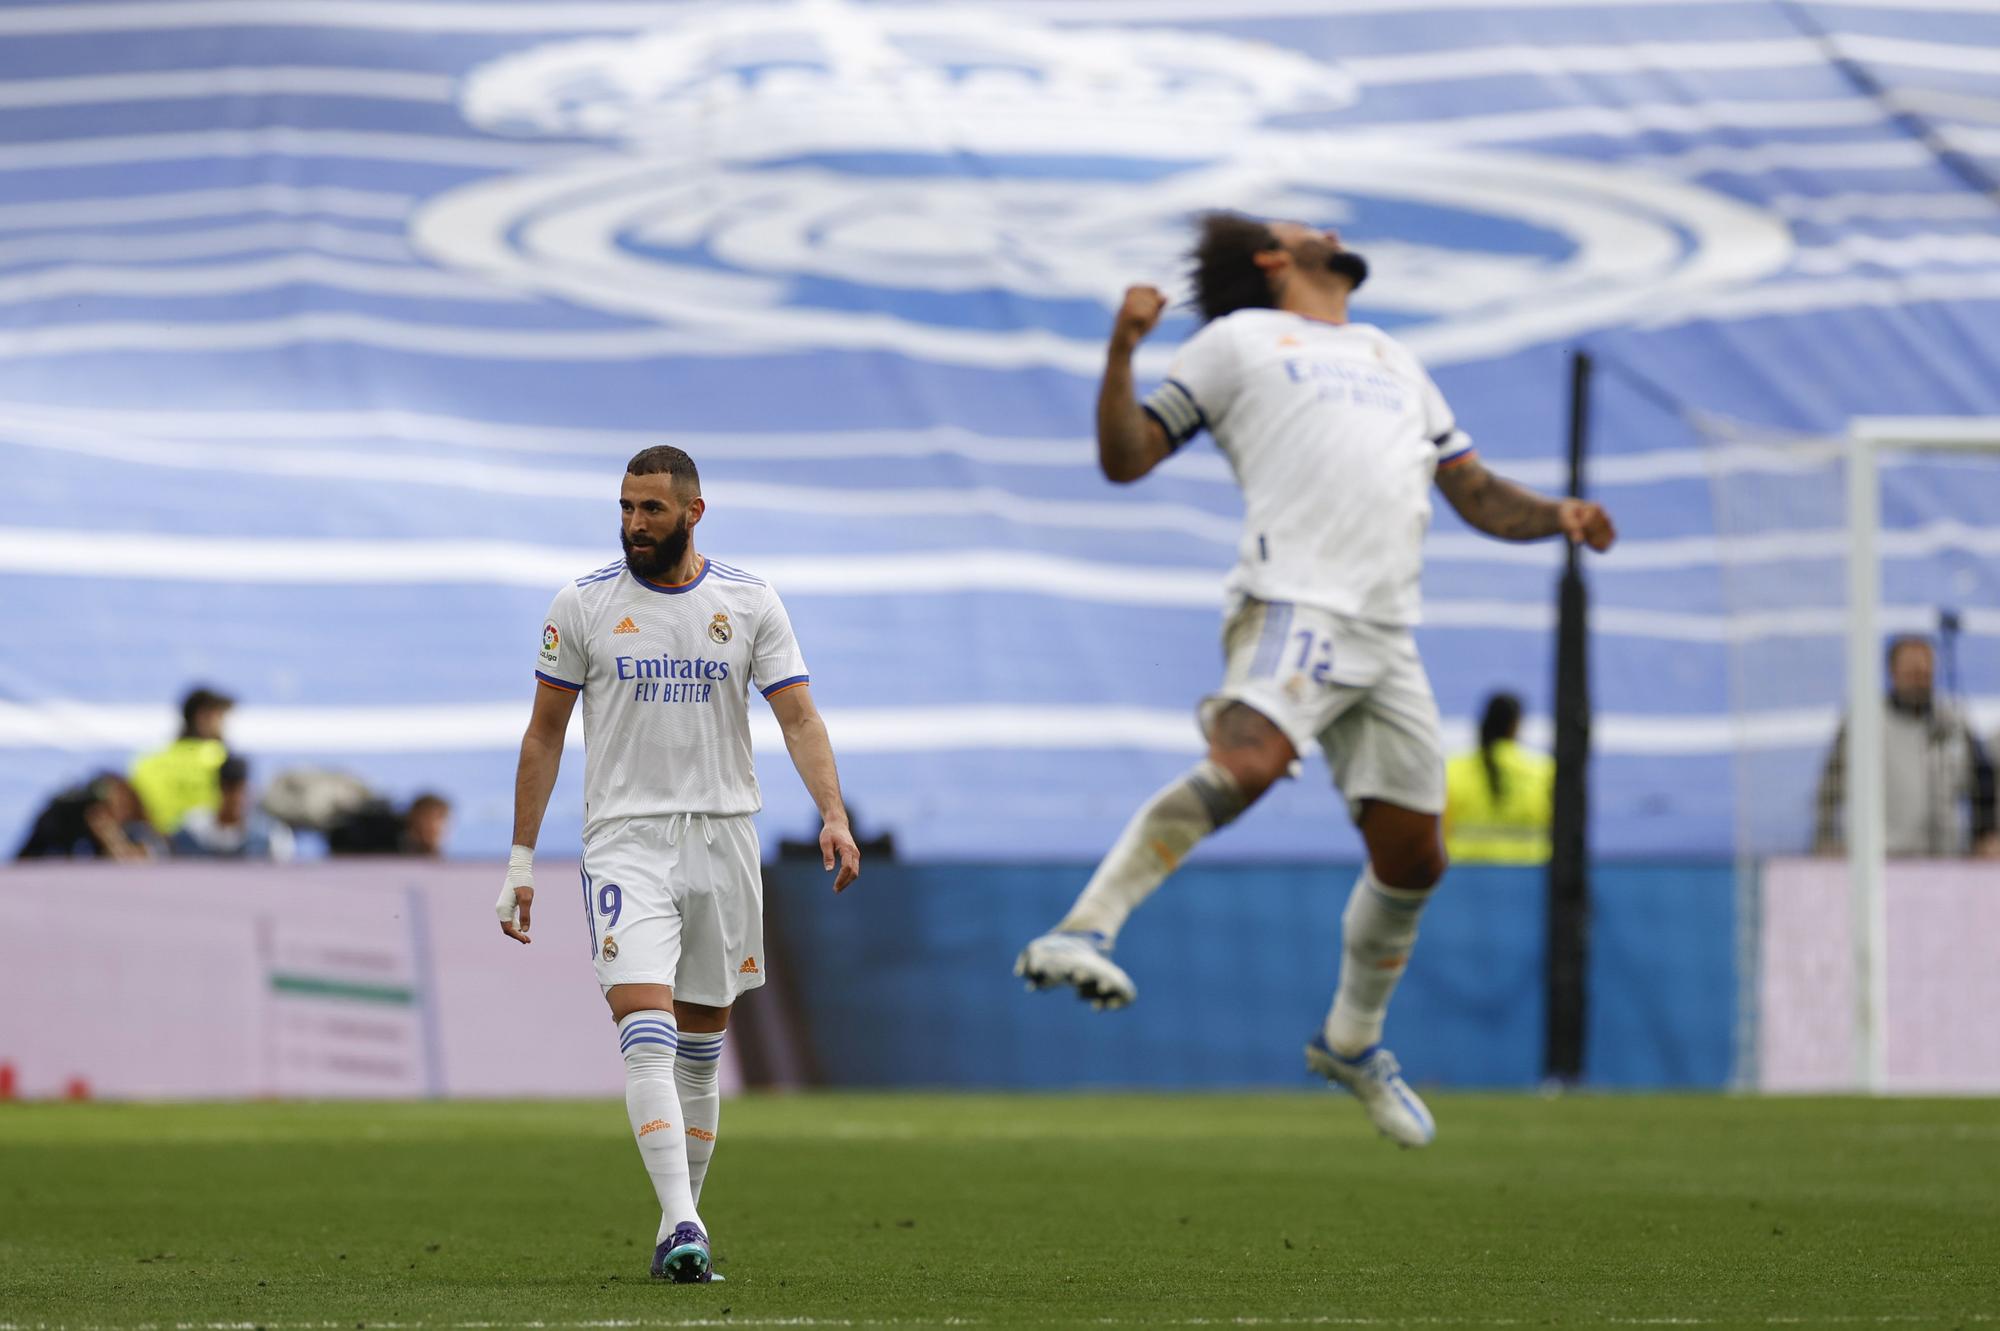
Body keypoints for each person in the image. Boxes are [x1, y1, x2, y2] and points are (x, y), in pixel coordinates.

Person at [1014, 212, 1616, 1148]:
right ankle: (1084, 928)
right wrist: (1124, 350)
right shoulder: (1238, 340)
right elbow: (1127, 456)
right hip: (1296, 600)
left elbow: (1477, 493)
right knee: (1249, 761)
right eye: (1307, 224)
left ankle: (1350, 1041)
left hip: (1388, 632)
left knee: (1415, 855)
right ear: (1273, 258)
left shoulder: (1392, 356)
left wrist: (1560, 515)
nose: (1331, 226)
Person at [497, 445, 861, 1284]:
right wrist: (521, 856)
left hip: (725, 836)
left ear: (694, 512)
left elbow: (798, 718)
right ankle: (683, 1221)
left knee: (701, 1049)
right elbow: (544, 733)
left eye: (650, 510)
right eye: (624, 507)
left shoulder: (749, 599)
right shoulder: (581, 604)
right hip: (627, 838)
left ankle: (678, 1227)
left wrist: (833, 812)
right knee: (644, 1030)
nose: (632, 524)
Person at [1814, 635, 1998, 858]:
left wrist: (1986, 837)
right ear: (1893, 673)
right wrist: (1826, 839)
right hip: (1880, 859)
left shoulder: (1953, 720)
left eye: (1924, 674)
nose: (1918, 681)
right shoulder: (1864, 721)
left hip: (1945, 860)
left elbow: (1983, 786)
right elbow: (1830, 789)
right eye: (1911, 674)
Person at [1443, 692, 1555, 864]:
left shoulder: (1452, 770)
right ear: (1515, 725)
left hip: (1465, 873)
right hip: (1530, 873)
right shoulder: (1543, 770)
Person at [129, 686, 233, 835]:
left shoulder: (146, 762)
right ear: (204, 718)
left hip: (157, 847)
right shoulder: (222, 759)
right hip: (207, 850)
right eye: (221, 718)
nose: (223, 727)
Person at [15, 771, 164, 861]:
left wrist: (111, 837)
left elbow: (139, 863)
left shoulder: (140, 830)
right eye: (113, 802)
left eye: (124, 801)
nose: (120, 807)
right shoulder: (68, 820)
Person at [171, 756, 296, 861]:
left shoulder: (270, 835)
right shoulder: (191, 832)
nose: (236, 798)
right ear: (218, 789)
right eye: (229, 790)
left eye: (241, 790)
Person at [401, 792, 452, 857]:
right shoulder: (396, 855)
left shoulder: (446, 863)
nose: (435, 826)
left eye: (441, 818)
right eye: (428, 818)